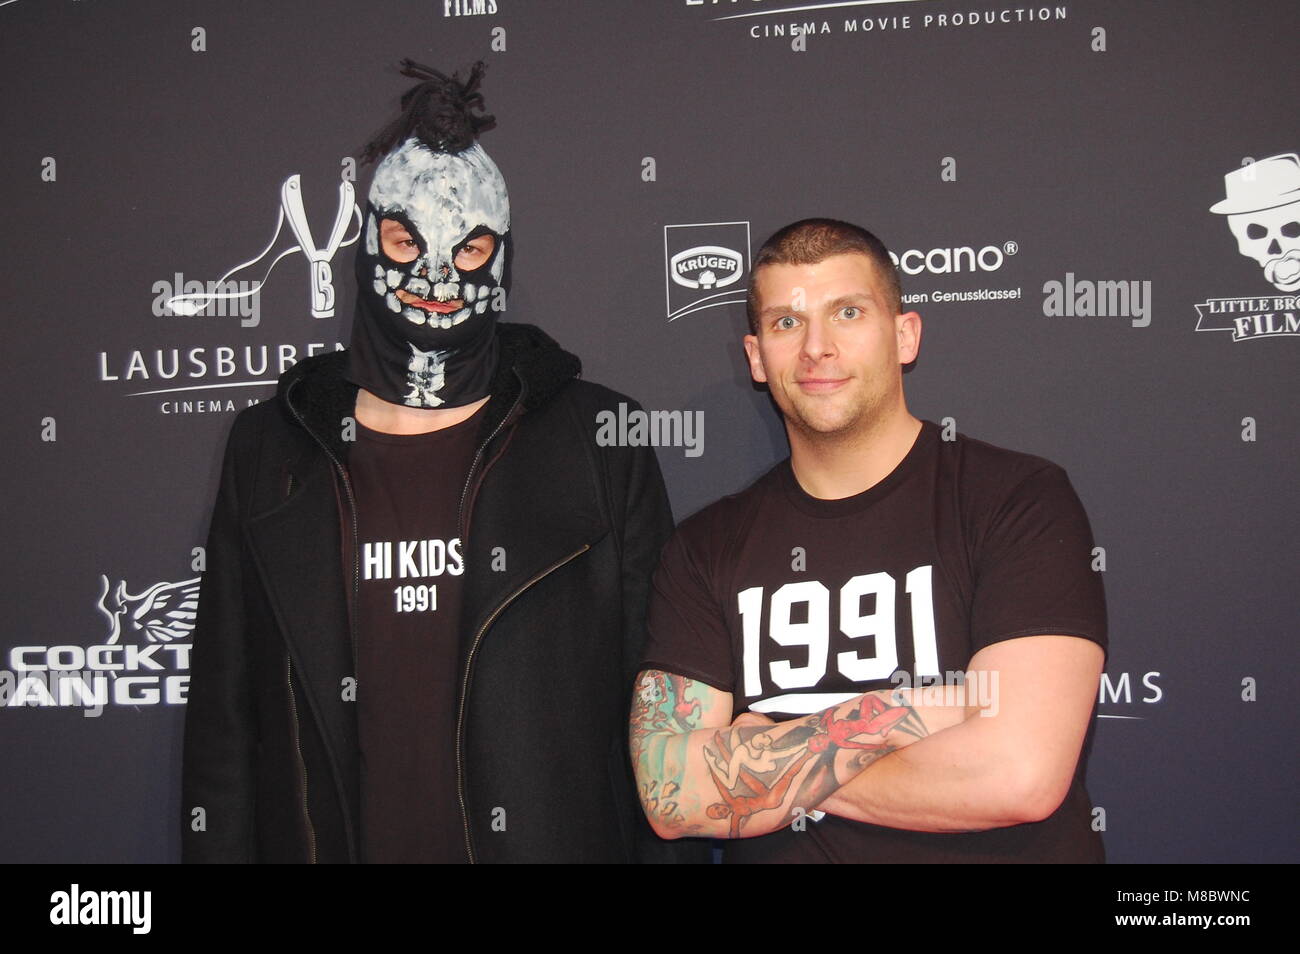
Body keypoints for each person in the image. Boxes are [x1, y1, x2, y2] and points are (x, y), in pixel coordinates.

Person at [182, 61, 696, 863]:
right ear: (369, 243)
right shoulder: (271, 446)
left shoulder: (600, 436)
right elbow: (225, 722)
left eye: (469, 249)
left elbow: (658, 709)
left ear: (502, 258)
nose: (433, 278)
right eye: (405, 240)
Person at [631, 218, 1107, 862]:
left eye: (847, 312)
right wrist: (906, 711)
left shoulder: (1016, 499)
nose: (816, 348)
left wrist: (768, 758)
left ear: (904, 335)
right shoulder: (704, 547)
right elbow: (669, 797)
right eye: (786, 323)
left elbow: (1019, 774)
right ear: (756, 357)